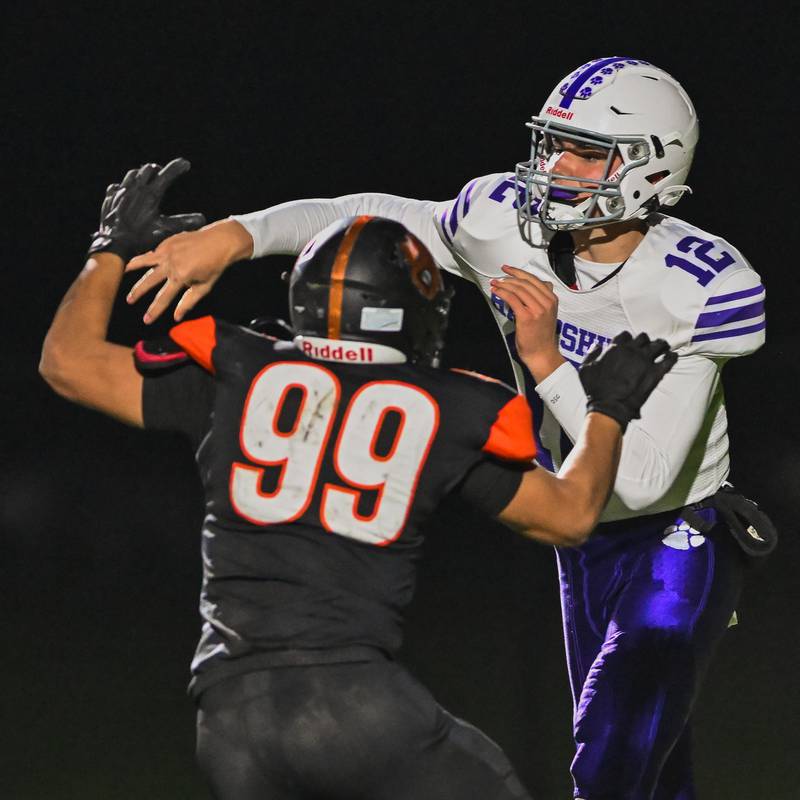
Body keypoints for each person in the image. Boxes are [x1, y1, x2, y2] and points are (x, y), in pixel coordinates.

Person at [123, 58, 775, 799]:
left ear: (653, 167)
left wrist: (550, 367)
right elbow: (369, 213)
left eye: (584, 151)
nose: (555, 166)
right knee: (651, 767)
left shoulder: (694, 286)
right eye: (552, 143)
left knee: (610, 764)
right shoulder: (505, 227)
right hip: (581, 532)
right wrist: (239, 237)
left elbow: (642, 478)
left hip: (676, 532)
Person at [40, 159, 675, 800]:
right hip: (357, 704)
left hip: (230, 717)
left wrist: (109, 251)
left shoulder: (234, 366)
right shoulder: (443, 407)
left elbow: (68, 362)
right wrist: (607, 411)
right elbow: (569, 515)